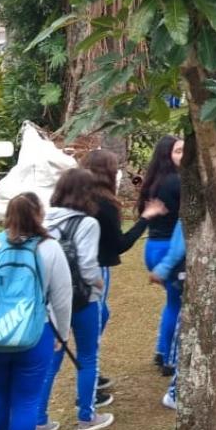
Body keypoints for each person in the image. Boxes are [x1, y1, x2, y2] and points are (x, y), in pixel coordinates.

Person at [0, 193, 72, 430]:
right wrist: (63, 333)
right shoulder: (50, 248)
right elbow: (62, 298)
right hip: (37, 334)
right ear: (39, 215)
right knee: (27, 402)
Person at [37, 169, 113, 430]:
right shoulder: (88, 224)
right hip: (83, 300)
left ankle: (38, 419)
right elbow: (88, 267)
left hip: (50, 303)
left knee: (52, 359)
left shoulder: (43, 221)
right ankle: (87, 416)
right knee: (88, 357)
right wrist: (99, 285)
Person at [81, 150, 135, 393]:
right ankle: (88, 384)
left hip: (73, 267)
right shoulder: (105, 204)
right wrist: (146, 218)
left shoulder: (76, 197)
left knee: (102, 313)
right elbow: (119, 244)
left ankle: (89, 370)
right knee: (95, 319)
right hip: (96, 269)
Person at [135, 136, 183, 375]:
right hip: (168, 248)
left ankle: (162, 350)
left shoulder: (154, 181)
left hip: (153, 246)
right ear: (167, 155)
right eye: (178, 151)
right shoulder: (176, 182)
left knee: (173, 302)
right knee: (177, 304)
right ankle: (169, 359)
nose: (183, 156)